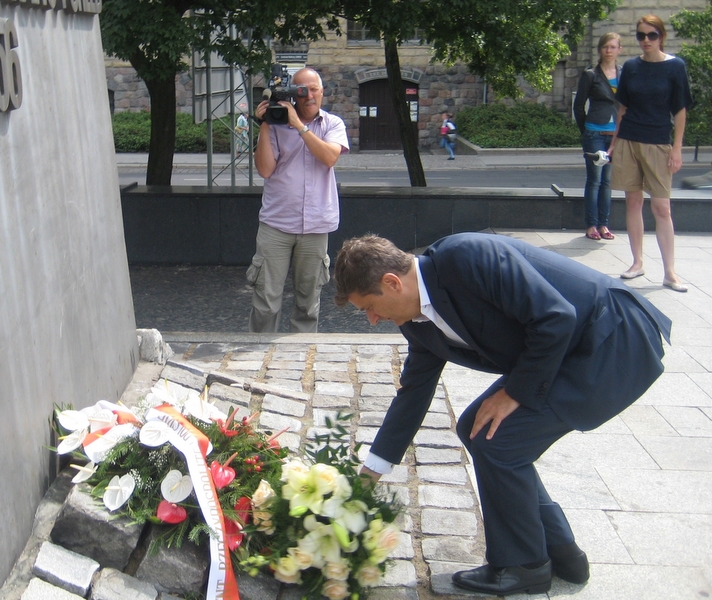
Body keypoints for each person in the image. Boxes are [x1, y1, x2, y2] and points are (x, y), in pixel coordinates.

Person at [333, 232, 671, 596]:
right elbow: (413, 394)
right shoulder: (418, 323)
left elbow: (556, 317)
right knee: (479, 429)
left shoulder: (467, 257)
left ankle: (523, 565)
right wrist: (369, 476)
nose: (371, 319)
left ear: (392, 283)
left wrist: (513, 392)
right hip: (567, 348)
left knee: (499, 442)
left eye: (368, 306)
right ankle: (560, 550)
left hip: (612, 340)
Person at [248, 67, 349, 332]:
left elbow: (329, 158)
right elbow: (265, 170)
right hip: (277, 225)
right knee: (265, 301)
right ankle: (257, 352)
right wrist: (266, 126)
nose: (309, 96)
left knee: (308, 302)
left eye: (313, 89)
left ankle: (301, 354)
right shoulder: (276, 124)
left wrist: (298, 125)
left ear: (322, 92)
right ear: (293, 93)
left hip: (315, 226)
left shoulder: (332, 124)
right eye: (302, 90)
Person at [610, 14, 694, 292]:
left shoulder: (675, 67)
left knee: (661, 207)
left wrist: (677, 148)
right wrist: (615, 142)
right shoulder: (632, 67)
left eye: (651, 35)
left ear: (661, 36)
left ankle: (670, 272)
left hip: (659, 142)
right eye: (641, 35)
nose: (646, 40)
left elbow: (680, 110)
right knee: (632, 203)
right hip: (628, 140)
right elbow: (621, 108)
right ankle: (637, 262)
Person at [573, 33, 622, 241]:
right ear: (600, 50)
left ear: (619, 49)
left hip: (615, 135)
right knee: (594, 180)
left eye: (613, 47)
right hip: (594, 132)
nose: (609, 51)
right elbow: (578, 106)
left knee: (607, 181)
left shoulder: (624, 74)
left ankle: (604, 224)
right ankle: (591, 225)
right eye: (605, 47)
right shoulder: (591, 74)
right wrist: (586, 131)